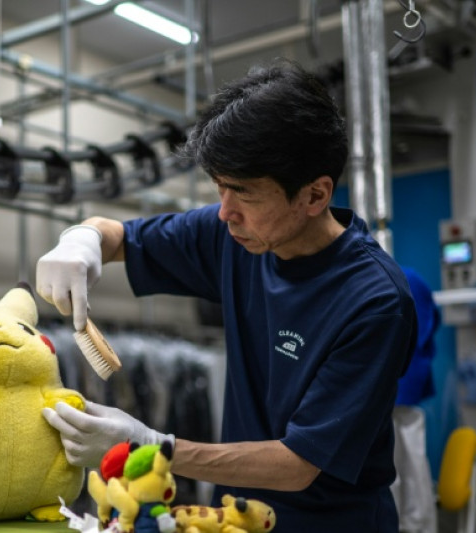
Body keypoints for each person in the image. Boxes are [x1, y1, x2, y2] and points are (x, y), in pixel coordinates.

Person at [37, 57, 417, 532]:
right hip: (229, 520)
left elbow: (297, 464)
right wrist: (82, 240)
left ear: (315, 196)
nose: (224, 212)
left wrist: (151, 445)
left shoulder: (374, 301)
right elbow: (118, 236)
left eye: (243, 193)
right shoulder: (233, 237)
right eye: (218, 188)